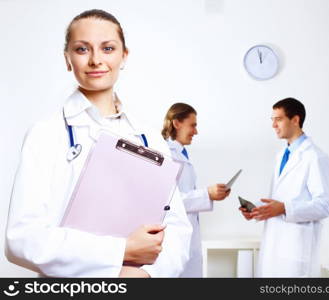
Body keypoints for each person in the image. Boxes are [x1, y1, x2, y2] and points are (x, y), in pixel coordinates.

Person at [5, 9, 192, 278]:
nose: (96, 60)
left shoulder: (148, 138)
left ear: (123, 56)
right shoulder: (45, 134)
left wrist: (150, 274)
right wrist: (121, 251)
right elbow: (22, 239)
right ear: (67, 59)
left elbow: (176, 227)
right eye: (82, 49)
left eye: (108, 48)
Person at [239, 98, 329, 277]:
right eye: (272, 119)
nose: (273, 125)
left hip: (296, 250)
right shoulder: (282, 155)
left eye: (279, 119)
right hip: (275, 245)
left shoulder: (315, 157)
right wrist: (257, 209)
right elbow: (279, 197)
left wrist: (284, 208)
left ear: (295, 120)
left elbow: (324, 206)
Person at [161, 103, 230, 277]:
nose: (196, 131)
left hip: (187, 236)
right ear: (177, 123)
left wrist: (211, 195)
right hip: (172, 239)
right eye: (193, 125)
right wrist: (207, 194)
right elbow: (166, 201)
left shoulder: (181, 153)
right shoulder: (165, 153)